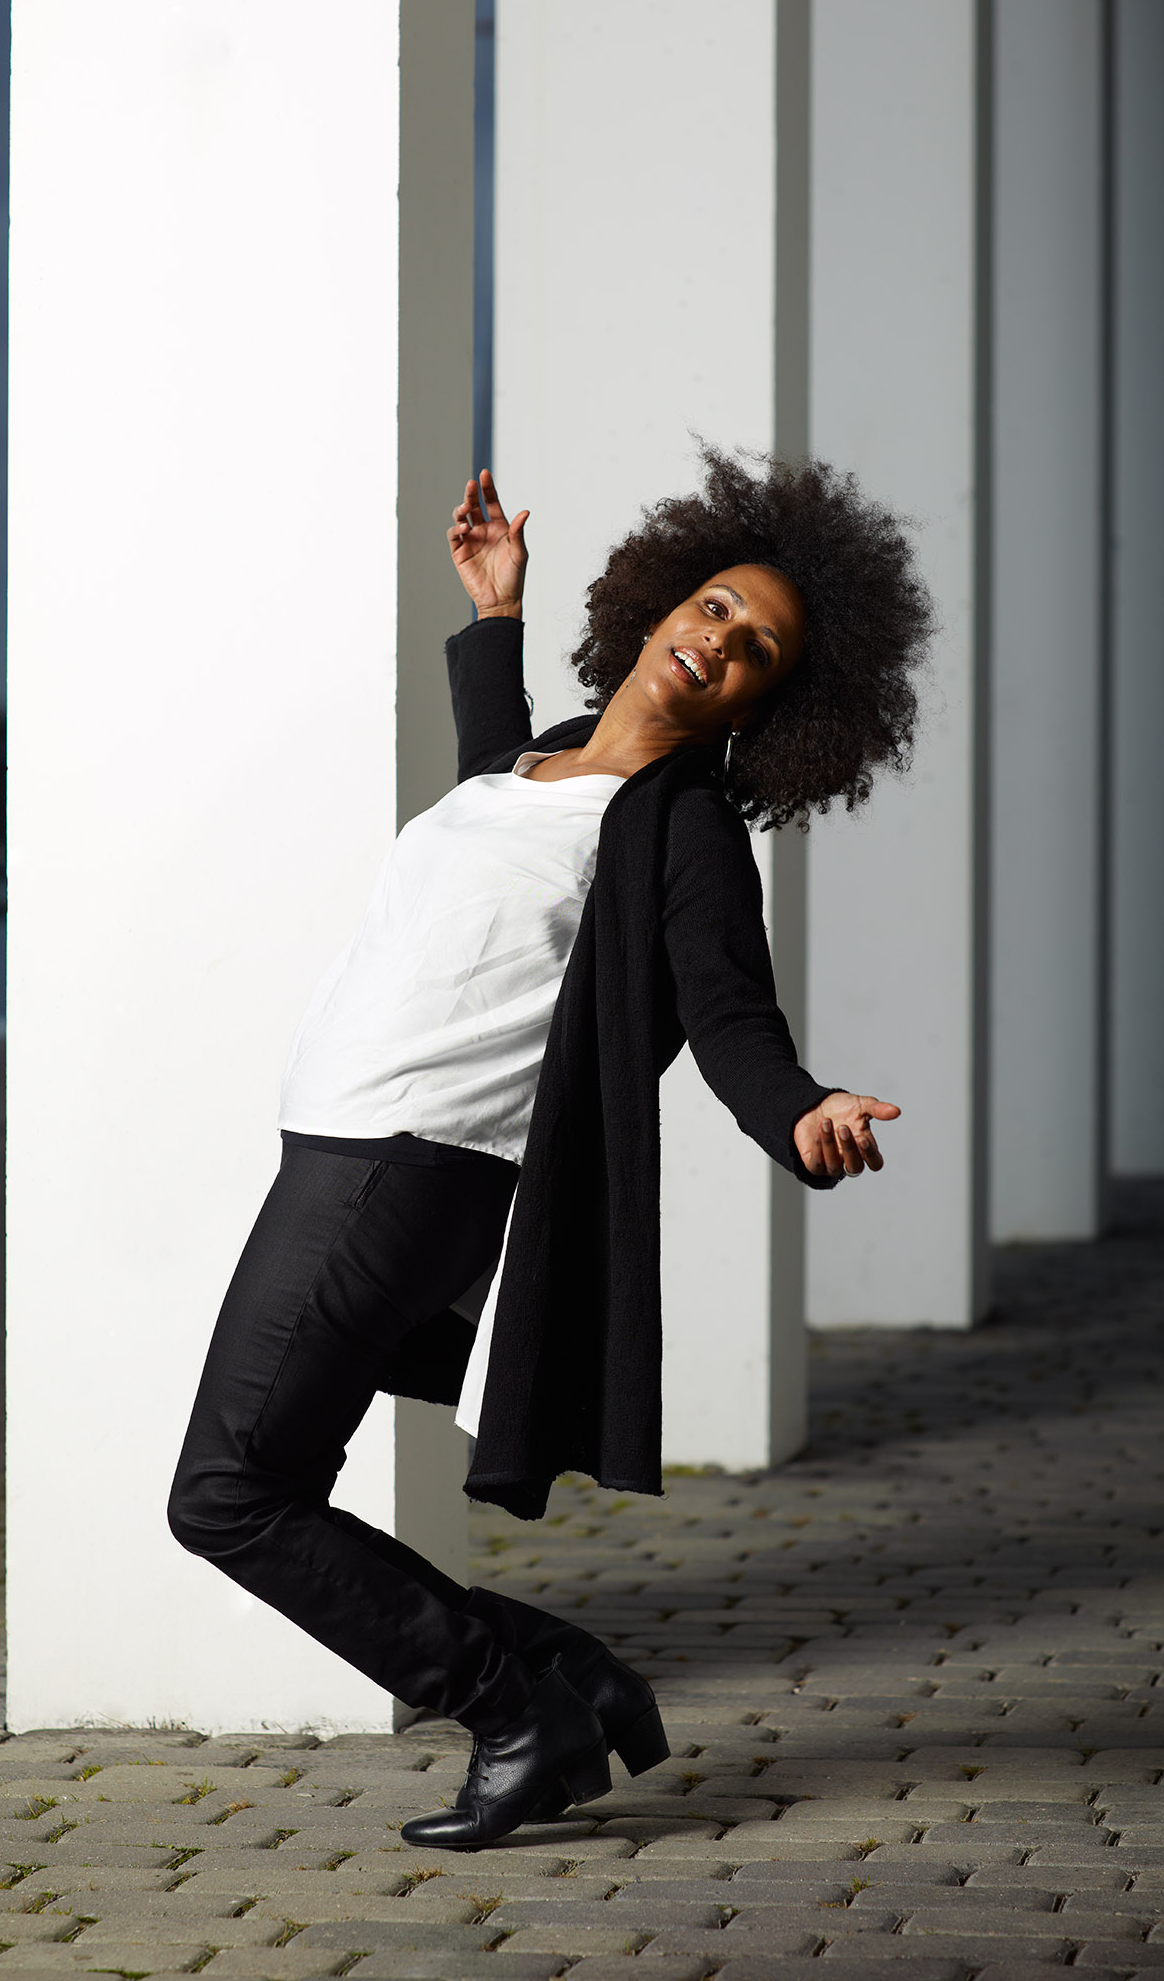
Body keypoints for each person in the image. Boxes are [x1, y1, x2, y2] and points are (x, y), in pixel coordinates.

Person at [168, 449, 933, 1849]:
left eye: (758, 650)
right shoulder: (544, 761)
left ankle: (517, 1712)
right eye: (714, 606)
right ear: (660, 605)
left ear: (766, 707)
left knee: (228, 1496)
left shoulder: (686, 830)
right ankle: (565, 1680)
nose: (720, 640)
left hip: (406, 1165)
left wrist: (801, 1112)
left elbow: (729, 1013)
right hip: (349, 1151)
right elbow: (497, 796)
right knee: (266, 1484)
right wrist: (497, 613)